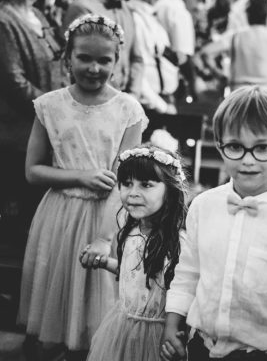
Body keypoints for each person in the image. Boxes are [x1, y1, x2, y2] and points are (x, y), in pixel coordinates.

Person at [160, 87, 267, 361]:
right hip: (202, 348)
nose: (248, 160)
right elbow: (189, 273)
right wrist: (173, 323)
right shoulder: (203, 207)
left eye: (262, 148)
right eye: (236, 147)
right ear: (219, 145)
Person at [17, 14, 147, 360]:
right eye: (84, 58)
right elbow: (33, 170)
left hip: (109, 216)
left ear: (116, 62)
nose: (93, 68)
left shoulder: (128, 110)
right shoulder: (50, 105)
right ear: (67, 58)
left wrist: (106, 236)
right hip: (60, 215)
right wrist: (80, 176)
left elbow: (126, 180)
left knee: (99, 312)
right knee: (55, 308)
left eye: (104, 60)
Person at [80, 144, 187, 361]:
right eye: (127, 184)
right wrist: (102, 262)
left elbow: (184, 291)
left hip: (156, 335)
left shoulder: (178, 243)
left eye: (146, 185)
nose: (133, 193)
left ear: (170, 190)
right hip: (122, 328)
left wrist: (181, 334)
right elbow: (132, 273)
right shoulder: (130, 231)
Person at [0, 0, 64, 244]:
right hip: (21, 139)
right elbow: (13, 83)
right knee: (22, 227)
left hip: (51, 132)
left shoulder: (38, 15)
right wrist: (58, 108)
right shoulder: (1, 22)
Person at [63, 0, 143, 97]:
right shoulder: (82, 8)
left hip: (126, 102)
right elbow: (75, 64)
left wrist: (133, 96)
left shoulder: (126, 9)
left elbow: (137, 58)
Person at [200, 0, 267, 97]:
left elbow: (205, 52)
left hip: (240, 93)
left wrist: (219, 75)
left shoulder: (235, 36)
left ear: (247, 14)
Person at [129, 0, 178, 114]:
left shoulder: (149, 15)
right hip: (151, 104)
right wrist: (160, 106)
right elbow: (139, 67)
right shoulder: (135, 18)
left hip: (162, 97)